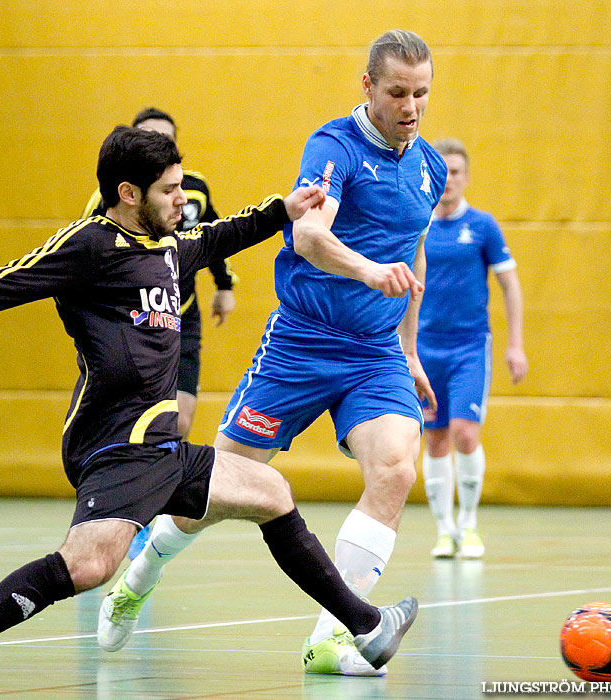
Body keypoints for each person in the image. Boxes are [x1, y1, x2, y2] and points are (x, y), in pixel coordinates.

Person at [0, 126, 418, 689]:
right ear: (129, 194)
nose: (183, 199)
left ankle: (367, 625)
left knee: (270, 493)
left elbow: (226, 234)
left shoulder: (171, 247)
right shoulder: (90, 246)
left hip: (162, 447)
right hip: (113, 445)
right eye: (169, 191)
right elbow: (8, 282)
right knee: (88, 566)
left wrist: (285, 207)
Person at [99, 30, 445, 677]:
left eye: (421, 93)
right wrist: (368, 271)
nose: (410, 106)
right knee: (218, 492)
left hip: (374, 353)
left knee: (396, 470)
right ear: (367, 87)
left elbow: (413, 253)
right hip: (301, 345)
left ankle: (331, 636)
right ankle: (138, 578)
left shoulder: (426, 165)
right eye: (397, 92)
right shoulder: (333, 147)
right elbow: (310, 234)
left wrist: (409, 347)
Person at [82, 107, 236, 440]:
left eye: (165, 139)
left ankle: (164, 483)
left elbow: (212, 236)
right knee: (133, 418)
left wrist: (224, 286)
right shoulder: (107, 200)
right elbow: (87, 254)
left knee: (178, 421)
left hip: (181, 314)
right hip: (132, 319)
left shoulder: (193, 190)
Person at [418, 138, 528, 559]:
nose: (449, 181)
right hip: (425, 347)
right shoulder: (419, 225)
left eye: (457, 172)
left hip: (468, 347)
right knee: (436, 440)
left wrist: (515, 344)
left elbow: (510, 285)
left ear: (466, 177)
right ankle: (444, 530)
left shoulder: (482, 226)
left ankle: (469, 525)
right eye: (442, 172)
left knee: (465, 434)